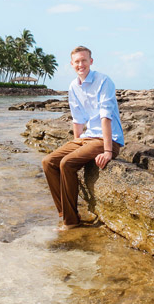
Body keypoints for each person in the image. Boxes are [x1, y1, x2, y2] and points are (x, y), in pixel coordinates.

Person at [42, 46, 124, 230]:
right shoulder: (73, 86)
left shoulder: (104, 81)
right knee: (48, 162)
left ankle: (71, 222)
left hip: (106, 139)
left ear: (91, 61)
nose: (81, 64)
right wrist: (76, 143)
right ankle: (65, 212)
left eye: (84, 60)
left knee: (66, 164)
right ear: (72, 64)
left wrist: (108, 150)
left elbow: (106, 116)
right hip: (87, 138)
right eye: (77, 61)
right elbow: (77, 119)